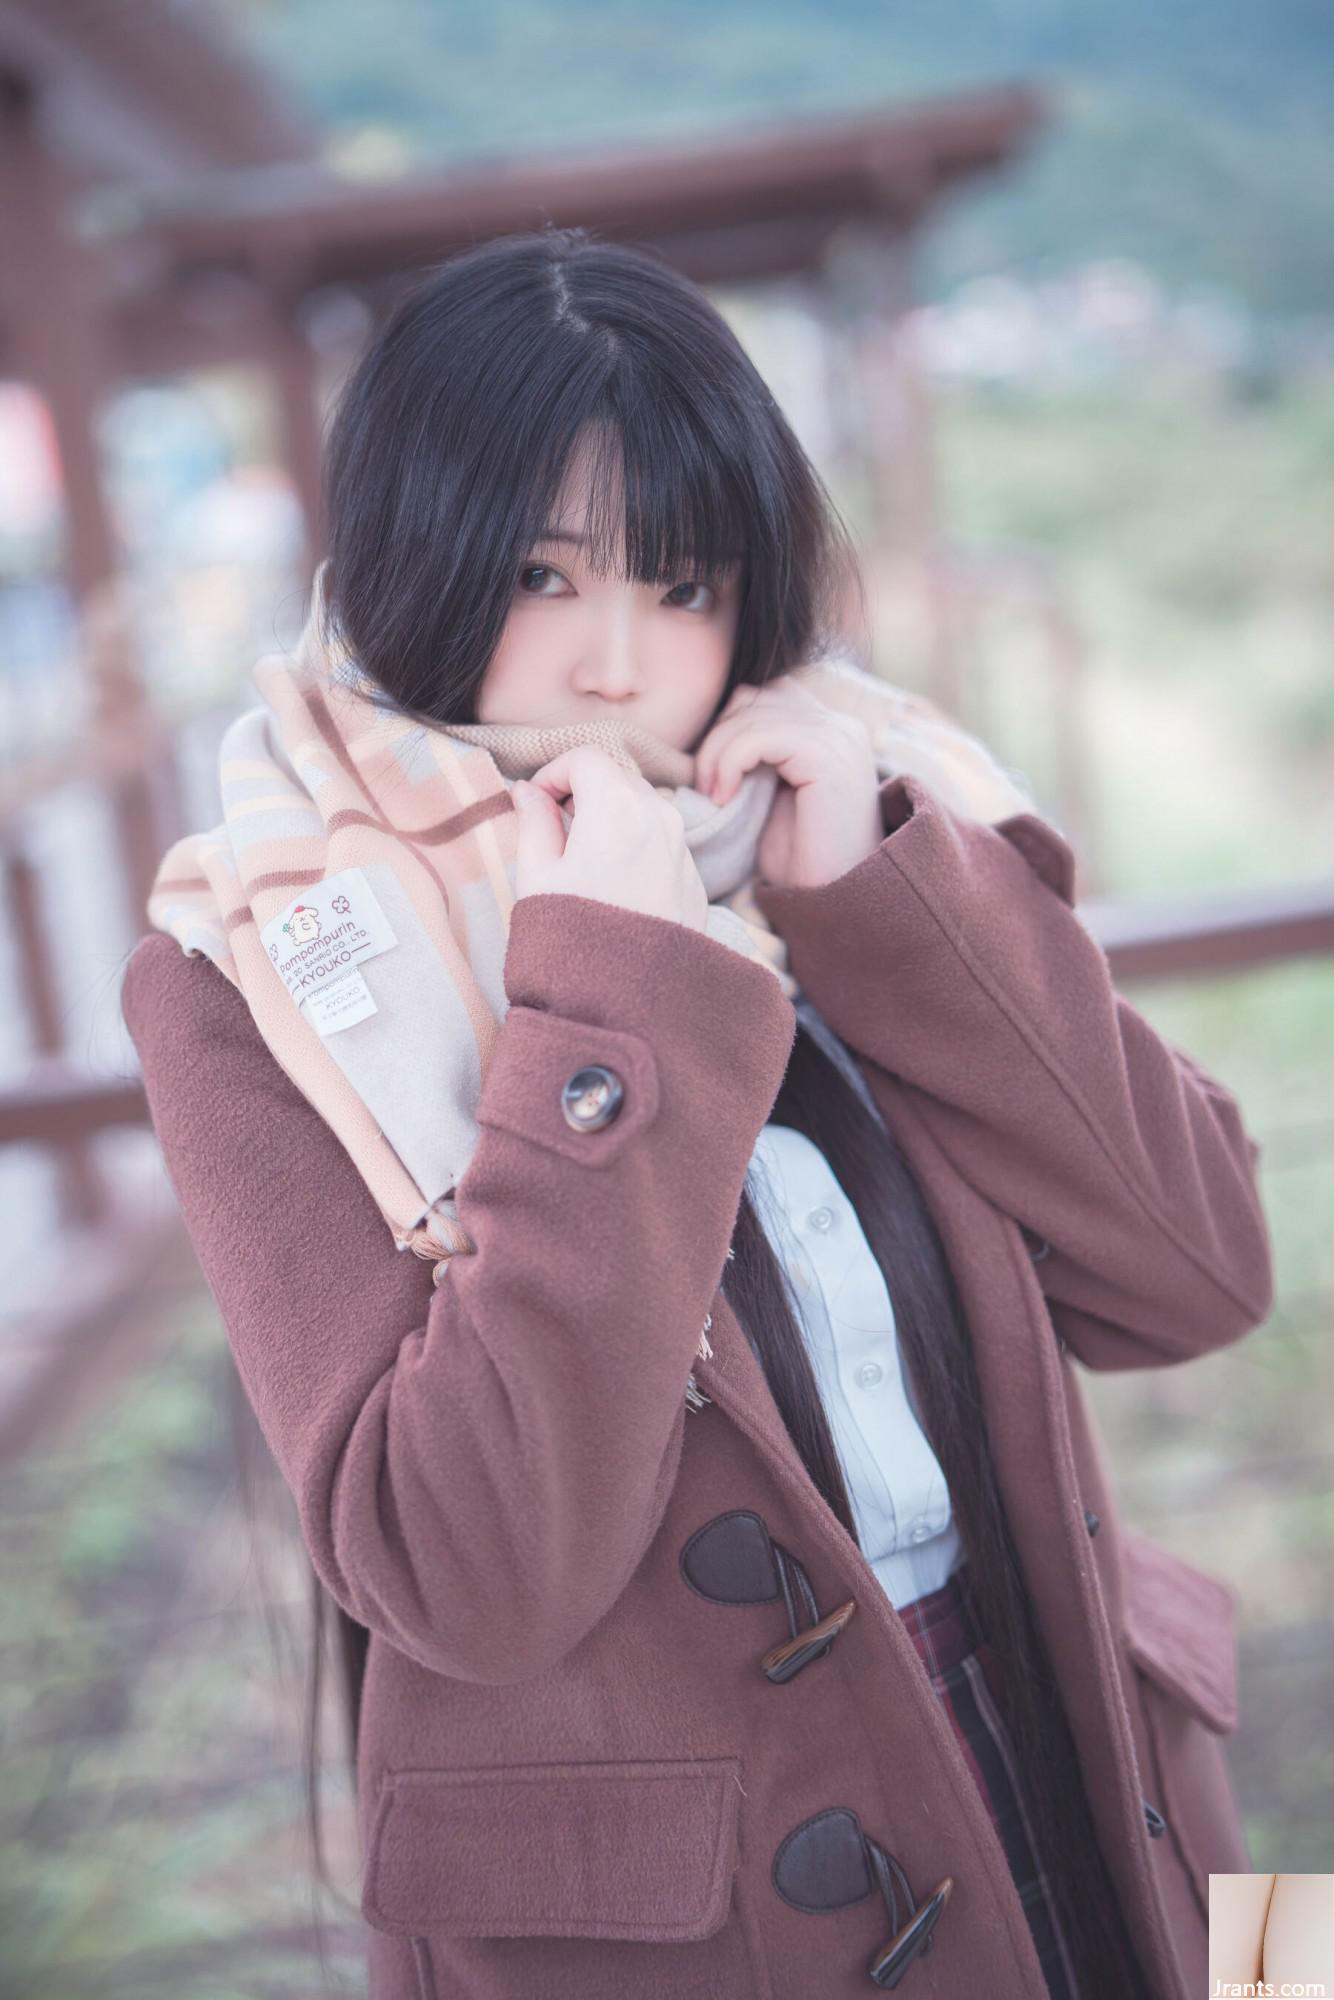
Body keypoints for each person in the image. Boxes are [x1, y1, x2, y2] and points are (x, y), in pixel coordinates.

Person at [120, 227, 1274, 2000]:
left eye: (681, 583)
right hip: (699, 1925)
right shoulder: (256, 960)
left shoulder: (849, 809)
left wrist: (889, 908)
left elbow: (1203, 1279)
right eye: (539, 573)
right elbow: (466, 1570)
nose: (613, 663)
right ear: (414, 550)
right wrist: (617, 985)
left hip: (1093, 1773)